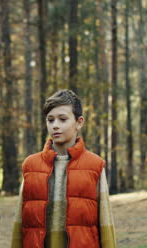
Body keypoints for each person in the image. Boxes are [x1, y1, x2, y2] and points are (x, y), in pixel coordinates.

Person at [10, 89, 116, 248]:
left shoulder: (94, 166)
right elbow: (20, 223)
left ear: (79, 122)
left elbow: (106, 222)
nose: (55, 126)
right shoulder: (31, 166)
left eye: (63, 119)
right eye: (50, 120)